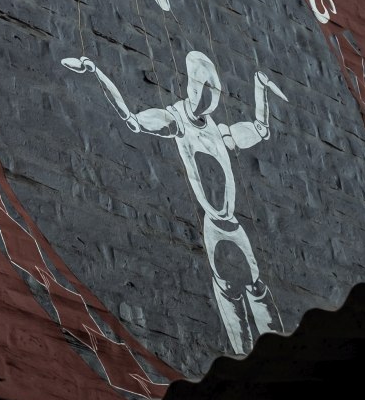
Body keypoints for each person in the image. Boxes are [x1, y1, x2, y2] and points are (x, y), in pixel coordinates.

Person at [61, 51, 287, 354]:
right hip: (213, 228)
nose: (206, 97)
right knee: (229, 292)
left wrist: (260, 88)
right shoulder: (176, 121)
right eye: (201, 88)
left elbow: (260, 129)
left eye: (213, 91)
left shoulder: (219, 131)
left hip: (233, 225)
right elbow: (132, 120)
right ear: (190, 87)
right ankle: (243, 356)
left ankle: (276, 353)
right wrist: (95, 71)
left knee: (256, 287)